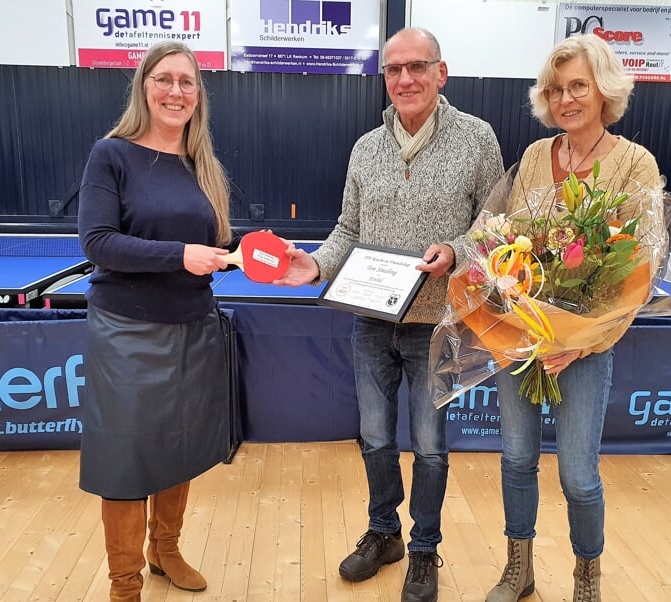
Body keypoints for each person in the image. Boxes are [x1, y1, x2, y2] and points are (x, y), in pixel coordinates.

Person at [276, 27, 504, 602]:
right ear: (384, 77)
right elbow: (347, 231)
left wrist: (456, 251)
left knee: (429, 444)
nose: (404, 79)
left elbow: (494, 228)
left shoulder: (478, 140)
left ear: (440, 73)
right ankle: (384, 534)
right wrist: (316, 268)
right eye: (393, 69)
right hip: (370, 320)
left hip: (440, 323)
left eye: (416, 67)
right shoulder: (363, 148)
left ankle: (424, 548)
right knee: (375, 436)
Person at [481, 35, 663, 602]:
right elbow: (501, 235)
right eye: (556, 89)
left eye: (577, 86)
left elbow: (638, 272)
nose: (566, 98)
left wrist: (579, 344)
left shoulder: (635, 163)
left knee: (578, 476)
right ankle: (520, 570)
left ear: (604, 90)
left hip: (584, 349)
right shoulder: (535, 157)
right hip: (521, 337)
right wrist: (486, 265)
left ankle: (588, 580)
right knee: (516, 458)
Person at [76, 41, 234, 602]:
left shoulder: (202, 164)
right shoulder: (111, 155)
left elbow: (214, 245)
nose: (175, 91)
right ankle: (125, 585)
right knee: (125, 459)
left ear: (199, 93)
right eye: (164, 79)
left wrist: (263, 257)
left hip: (194, 325)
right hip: (127, 331)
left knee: (180, 445)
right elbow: (97, 242)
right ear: (144, 86)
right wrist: (178, 256)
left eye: (186, 82)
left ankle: (165, 549)